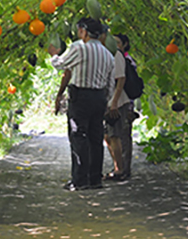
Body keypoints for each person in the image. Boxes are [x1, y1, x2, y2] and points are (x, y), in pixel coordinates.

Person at [48, 18, 114, 191]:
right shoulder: (107, 54)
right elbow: (110, 84)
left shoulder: (79, 47)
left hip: (81, 97)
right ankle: (95, 179)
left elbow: (60, 65)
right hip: (99, 98)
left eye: (79, 31)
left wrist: (54, 54)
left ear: (84, 31)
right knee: (95, 139)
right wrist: (106, 102)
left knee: (78, 137)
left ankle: (79, 180)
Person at [104, 34, 134, 181]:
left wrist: (114, 102)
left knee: (116, 136)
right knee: (108, 136)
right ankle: (118, 167)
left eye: (117, 42)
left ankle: (121, 170)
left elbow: (121, 79)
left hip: (118, 102)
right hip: (109, 102)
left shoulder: (117, 55)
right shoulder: (107, 53)